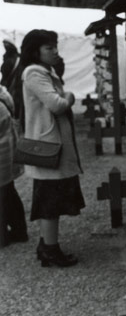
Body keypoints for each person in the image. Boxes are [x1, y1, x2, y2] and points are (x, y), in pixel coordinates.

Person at [19, 29, 85, 267]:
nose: (55, 51)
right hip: (49, 146)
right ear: (35, 51)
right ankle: (50, 250)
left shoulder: (45, 70)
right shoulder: (34, 72)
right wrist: (70, 97)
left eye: (55, 46)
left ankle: (45, 244)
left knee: (50, 199)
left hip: (51, 144)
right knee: (50, 202)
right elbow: (56, 104)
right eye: (49, 48)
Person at [0, 84, 27, 246]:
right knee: (8, 192)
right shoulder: (3, 94)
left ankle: (3, 236)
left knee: (4, 195)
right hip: (6, 152)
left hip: (2, 155)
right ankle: (19, 230)